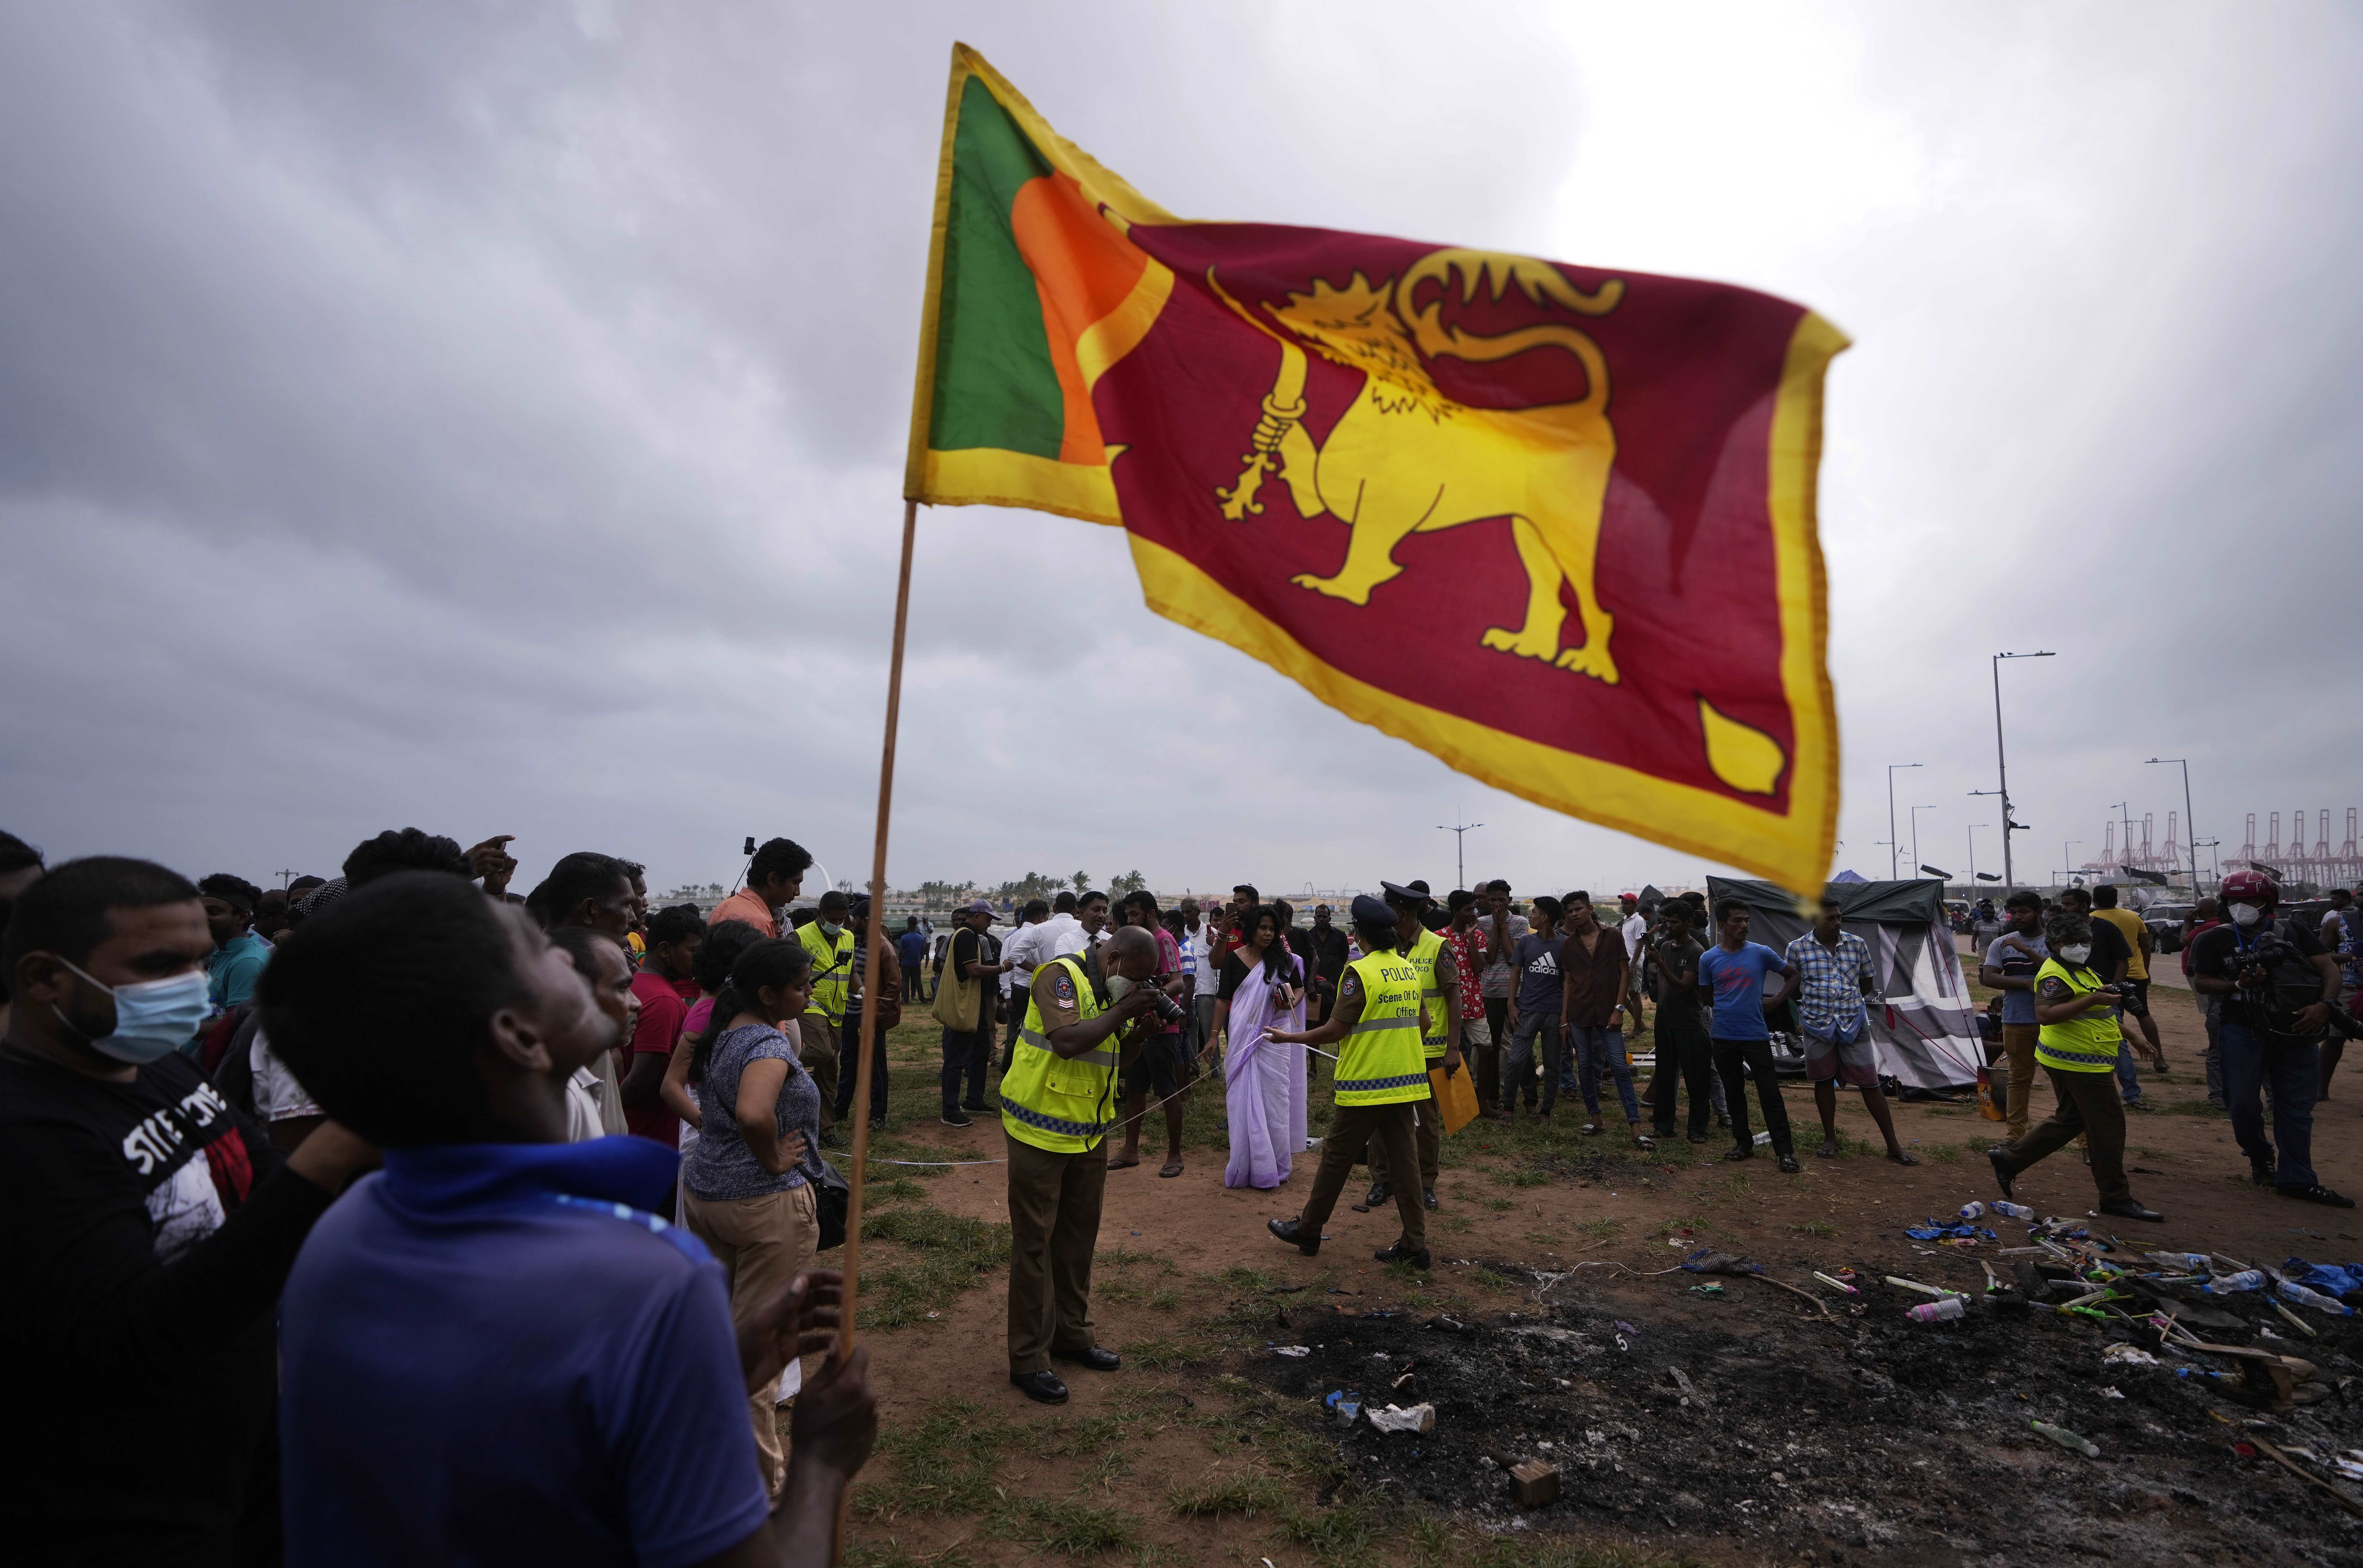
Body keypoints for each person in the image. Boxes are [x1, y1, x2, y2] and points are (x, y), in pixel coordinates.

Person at [260, 873, 873, 1564]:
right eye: (540, 951)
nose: (582, 953)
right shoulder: (647, 1280)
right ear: (518, 1035)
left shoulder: (338, 1237)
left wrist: (714, 1366)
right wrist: (822, 1459)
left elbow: (516, 1431)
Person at [1, 856, 376, 1563]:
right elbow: (141, 1339)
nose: (191, 987)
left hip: (237, 1469)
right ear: (44, 978)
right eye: (159, 965)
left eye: (200, 961)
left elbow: (259, 1186)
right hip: (120, 1515)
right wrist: (338, 1150)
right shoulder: (27, 1130)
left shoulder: (149, 1061)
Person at [679, 937, 829, 1491]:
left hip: (710, 1194)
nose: (809, 991)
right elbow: (752, 1111)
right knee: (758, 1355)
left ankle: (707, 1452)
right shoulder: (766, 1041)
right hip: (763, 1204)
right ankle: (758, 1484)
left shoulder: (726, 1031)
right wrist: (771, 1157)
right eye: (800, 985)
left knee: (721, 1340)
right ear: (768, 994)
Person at [1001, 926, 1165, 1405]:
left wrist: (1136, 1035)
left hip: (1087, 1133)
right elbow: (1068, 1041)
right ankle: (1029, 1358)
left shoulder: (1106, 989)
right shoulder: (1060, 977)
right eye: (1132, 977)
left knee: (1076, 1240)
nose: (1134, 987)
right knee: (1035, 1245)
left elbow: (1110, 1053)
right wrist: (1122, 1011)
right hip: (1038, 1131)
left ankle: (1071, 1334)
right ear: (1111, 957)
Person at [1265, 896, 1433, 1269]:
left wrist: (1287, 1037)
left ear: (1359, 934)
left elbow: (1333, 1031)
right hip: (1405, 1083)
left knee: (1336, 1159)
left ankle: (1308, 1230)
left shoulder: (1359, 973)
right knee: (1405, 1164)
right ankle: (1415, 1243)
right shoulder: (1408, 969)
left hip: (1366, 1086)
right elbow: (1425, 1024)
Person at [1986, 910, 2163, 1222]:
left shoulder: (2081, 970)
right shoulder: (2055, 975)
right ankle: (2115, 1197)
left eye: (2084, 941)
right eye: (2072, 942)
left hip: (2081, 1059)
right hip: (2077, 1062)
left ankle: (2010, 1159)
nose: (2080, 947)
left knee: (2071, 1118)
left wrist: (2133, 1037)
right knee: (2108, 1129)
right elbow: (2045, 1014)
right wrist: (2091, 1000)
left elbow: (2100, 1009)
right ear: (2055, 945)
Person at [2190, 869, 2350, 1205]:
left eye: (2250, 899)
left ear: (2268, 901)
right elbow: (2202, 981)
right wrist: (2236, 985)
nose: (2241, 906)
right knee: (2242, 1104)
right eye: (2233, 900)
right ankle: (2259, 1154)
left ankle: (2297, 1179)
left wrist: (2324, 1006)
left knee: (2295, 1107)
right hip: (2240, 1028)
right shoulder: (2212, 939)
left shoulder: (2292, 931)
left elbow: (2329, 971)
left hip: (2296, 1026)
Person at [1773, 898, 1914, 1164]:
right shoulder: (1797, 948)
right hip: (1816, 1024)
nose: (1837, 922)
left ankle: (1893, 1146)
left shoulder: (1856, 944)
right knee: (1823, 1080)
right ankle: (1830, 1138)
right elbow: (1792, 985)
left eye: (1839, 917)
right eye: (1831, 918)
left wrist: (1845, 1005)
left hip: (1853, 1022)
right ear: (1814, 919)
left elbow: (1866, 984)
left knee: (1870, 1082)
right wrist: (1814, 1010)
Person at [1364, 880, 1462, 1210]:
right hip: (1389, 1050)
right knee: (1380, 1117)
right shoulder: (1383, 948)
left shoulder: (1437, 946)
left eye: (1388, 909)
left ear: (1400, 912)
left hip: (1429, 1052)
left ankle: (1425, 1183)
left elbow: (1453, 998)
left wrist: (1453, 1048)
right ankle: (1382, 1181)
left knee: (1426, 1121)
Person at [1698, 900, 1800, 1171]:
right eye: (1737, 921)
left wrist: (1776, 1000)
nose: (1744, 925)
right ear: (1721, 926)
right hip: (1723, 1037)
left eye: (1746, 920)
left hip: (1755, 1036)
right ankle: (1742, 1144)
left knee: (1770, 1094)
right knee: (1734, 1092)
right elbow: (1706, 995)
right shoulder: (1708, 959)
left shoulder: (1761, 953)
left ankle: (1784, 1151)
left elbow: (1792, 976)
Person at [1218, 904, 1308, 1189]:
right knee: (1241, 1100)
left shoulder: (1285, 960)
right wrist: (1211, 1036)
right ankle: (1246, 1165)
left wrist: (1292, 999)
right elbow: (1223, 999)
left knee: (1275, 1102)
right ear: (1251, 929)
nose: (1268, 934)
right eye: (1263, 928)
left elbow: (1299, 987)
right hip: (1243, 1037)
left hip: (1276, 1037)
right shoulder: (1234, 960)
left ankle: (1276, 1167)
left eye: (1273, 929)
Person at [1107, 891, 1194, 1177]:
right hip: (1136, 1029)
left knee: (1168, 1092)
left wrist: (1151, 997)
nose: (1129, 919)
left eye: (1134, 914)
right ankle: (1130, 1150)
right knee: (1134, 1089)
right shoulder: (1136, 942)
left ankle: (1175, 1154)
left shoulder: (1164, 941)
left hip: (1161, 1028)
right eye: (1128, 915)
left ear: (1151, 914)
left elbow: (1178, 983)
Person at [1559, 891, 1648, 1148]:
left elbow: (1624, 973)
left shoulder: (1613, 936)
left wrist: (1619, 1009)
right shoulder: (1568, 945)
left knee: (1620, 1067)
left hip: (1609, 1014)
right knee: (1585, 1067)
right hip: (1580, 1014)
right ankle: (1596, 1120)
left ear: (1590, 909)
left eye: (1578, 909)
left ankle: (1636, 1126)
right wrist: (1564, 1020)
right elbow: (1568, 982)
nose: (1574, 914)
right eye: (1570, 912)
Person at [2059, 885, 2161, 1105]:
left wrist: (2113, 988)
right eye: (2063, 904)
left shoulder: (2106, 928)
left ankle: (2132, 1094)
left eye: (2069, 904)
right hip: (2071, 996)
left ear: (2084, 906)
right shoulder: (2061, 931)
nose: (2065, 909)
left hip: (2104, 996)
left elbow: (2122, 961)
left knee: (2117, 1040)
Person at [620, 904, 704, 1146]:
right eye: (692, 950)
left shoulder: (636, 983)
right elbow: (639, 1083)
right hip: (654, 1137)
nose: (698, 959)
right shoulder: (664, 1002)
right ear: (666, 950)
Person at [550, 927, 639, 1140]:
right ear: (576, 996)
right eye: (622, 988)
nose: (637, 1003)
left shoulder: (581, 1084)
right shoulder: (565, 1097)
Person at [1979, 890, 2048, 1143]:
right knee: (2019, 1079)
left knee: (2064, 1080)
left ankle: (2081, 1138)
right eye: (2014, 912)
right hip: (2016, 1019)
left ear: (2039, 912)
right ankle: (2014, 1136)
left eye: (2024, 912)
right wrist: (2026, 984)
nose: (2017, 917)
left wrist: (2025, 951)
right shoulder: (2003, 942)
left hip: (2053, 1021)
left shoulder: (2055, 941)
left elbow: (2062, 974)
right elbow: (1989, 977)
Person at [1642, 902, 1715, 1142]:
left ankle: (1697, 1130)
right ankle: (1664, 1126)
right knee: (1665, 1076)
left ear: (1688, 923)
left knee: (1697, 1080)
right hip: (1665, 1021)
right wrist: (1662, 998)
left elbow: (1684, 987)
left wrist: (1660, 963)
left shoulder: (1695, 951)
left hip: (1689, 1023)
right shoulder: (1665, 946)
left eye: (1674, 922)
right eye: (1667, 921)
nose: (1669, 926)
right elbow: (1664, 979)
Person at [932, 901, 1007, 1127]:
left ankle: (974, 1100)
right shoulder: (966, 936)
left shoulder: (972, 936)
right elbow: (973, 970)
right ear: (976, 916)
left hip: (976, 1005)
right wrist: (1003, 968)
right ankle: (950, 1111)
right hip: (963, 1006)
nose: (990, 923)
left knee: (981, 1051)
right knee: (956, 1060)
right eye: (988, 919)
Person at [833, 896, 900, 1133]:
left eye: (856, 918)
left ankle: (878, 1115)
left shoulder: (884, 948)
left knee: (875, 1068)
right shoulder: (856, 942)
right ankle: (839, 1111)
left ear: (867, 920)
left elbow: (894, 987)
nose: (852, 921)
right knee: (848, 1064)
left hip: (870, 1019)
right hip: (851, 1016)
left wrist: (875, 1016)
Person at [795, 890, 856, 1140]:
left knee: (830, 1071)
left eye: (842, 920)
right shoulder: (799, 937)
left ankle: (825, 1131)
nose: (838, 924)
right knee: (822, 1052)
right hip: (810, 1005)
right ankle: (780, 1060)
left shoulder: (849, 937)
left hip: (837, 1011)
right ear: (820, 914)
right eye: (833, 919)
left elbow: (849, 971)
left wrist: (861, 988)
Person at [1503, 896, 1564, 1119]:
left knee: (1552, 1064)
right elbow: (1516, 973)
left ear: (1545, 918)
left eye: (1535, 912)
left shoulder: (1564, 945)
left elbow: (1569, 982)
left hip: (1554, 1014)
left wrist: (1565, 1016)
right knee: (1516, 1061)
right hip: (1526, 1012)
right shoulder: (1527, 941)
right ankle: (1508, 1108)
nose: (1531, 915)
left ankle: (1546, 1111)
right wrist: (1512, 1004)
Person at [1439, 891, 1492, 1117]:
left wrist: (1470, 937)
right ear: (1455, 912)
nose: (1474, 913)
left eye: (1474, 909)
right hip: (1446, 1004)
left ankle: (1481, 1103)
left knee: (1487, 1049)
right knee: (1446, 1053)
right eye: (1469, 910)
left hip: (1473, 1001)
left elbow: (1480, 967)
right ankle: (1450, 1105)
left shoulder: (1479, 936)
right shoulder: (1439, 938)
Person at [198, 873, 270, 1021]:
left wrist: (176, 1027)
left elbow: (238, 1030)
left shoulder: (248, 962)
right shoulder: (222, 954)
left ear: (243, 917)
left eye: (213, 912)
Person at [713, 838, 814, 941]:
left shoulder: (721, 908)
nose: (798, 893)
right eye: (795, 883)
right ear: (773, 880)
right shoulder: (758, 922)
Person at [2180, 897, 2228, 1108]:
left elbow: (2186, 945)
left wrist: (2188, 923)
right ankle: (2219, 1096)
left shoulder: (2208, 931)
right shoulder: (2213, 933)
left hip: (2223, 998)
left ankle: (2219, 1095)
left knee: (2218, 1049)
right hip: (2223, 997)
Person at [997, 900, 1050, 1072]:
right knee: (1035, 1034)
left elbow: (1004, 969)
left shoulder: (1011, 938)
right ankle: (1027, 1069)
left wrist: (1008, 996)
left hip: (1018, 992)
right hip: (1033, 992)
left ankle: (1009, 1068)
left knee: (1014, 1033)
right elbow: (1042, 963)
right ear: (1042, 917)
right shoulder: (1038, 935)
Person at [2317, 887, 2360, 1096]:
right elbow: (2322, 955)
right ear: (2355, 897)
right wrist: (2352, 958)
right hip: (2348, 989)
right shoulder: (2336, 922)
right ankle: (2320, 1088)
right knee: (2334, 1038)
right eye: (2362, 893)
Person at [1305, 901, 1350, 1032]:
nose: (1322, 919)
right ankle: (1313, 1052)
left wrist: (1335, 969)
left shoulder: (1340, 935)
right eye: (1319, 917)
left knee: (1337, 1018)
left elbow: (1344, 956)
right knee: (1314, 1020)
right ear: (1315, 919)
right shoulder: (1309, 936)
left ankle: (1339, 1051)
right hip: (1315, 984)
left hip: (1335, 983)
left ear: (1330, 919)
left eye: (1325, 917)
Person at [898, 917, 928, 1002]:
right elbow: (922, 951)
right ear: (916, 926)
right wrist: (919, 960)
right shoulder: (921, 938)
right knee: (918, 981)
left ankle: (905, 999)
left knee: (905, 981)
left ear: (908, 924)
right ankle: (922, 999)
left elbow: (901, 952)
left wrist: (900, 962)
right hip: (916, 963)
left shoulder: (904, 938)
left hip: (905, 963)